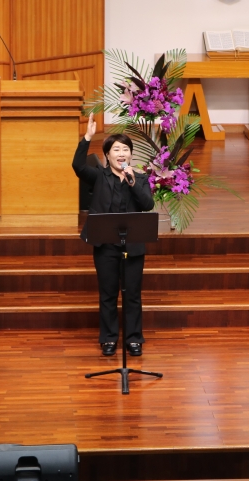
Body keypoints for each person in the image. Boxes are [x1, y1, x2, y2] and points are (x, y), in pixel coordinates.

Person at [72, 118, 154, 357]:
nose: (121, 154)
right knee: (108, 294)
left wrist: (132, 181)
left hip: (133, 245)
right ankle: (108, 338)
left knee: (132, 294)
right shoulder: (99, 176)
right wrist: (87, 138)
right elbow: (77, 166)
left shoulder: (139, 178)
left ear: (131, 155)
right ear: (107, 156)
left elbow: (147, 204)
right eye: (116, 150)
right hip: (105, 245)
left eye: (125, 149)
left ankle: (134, 339)